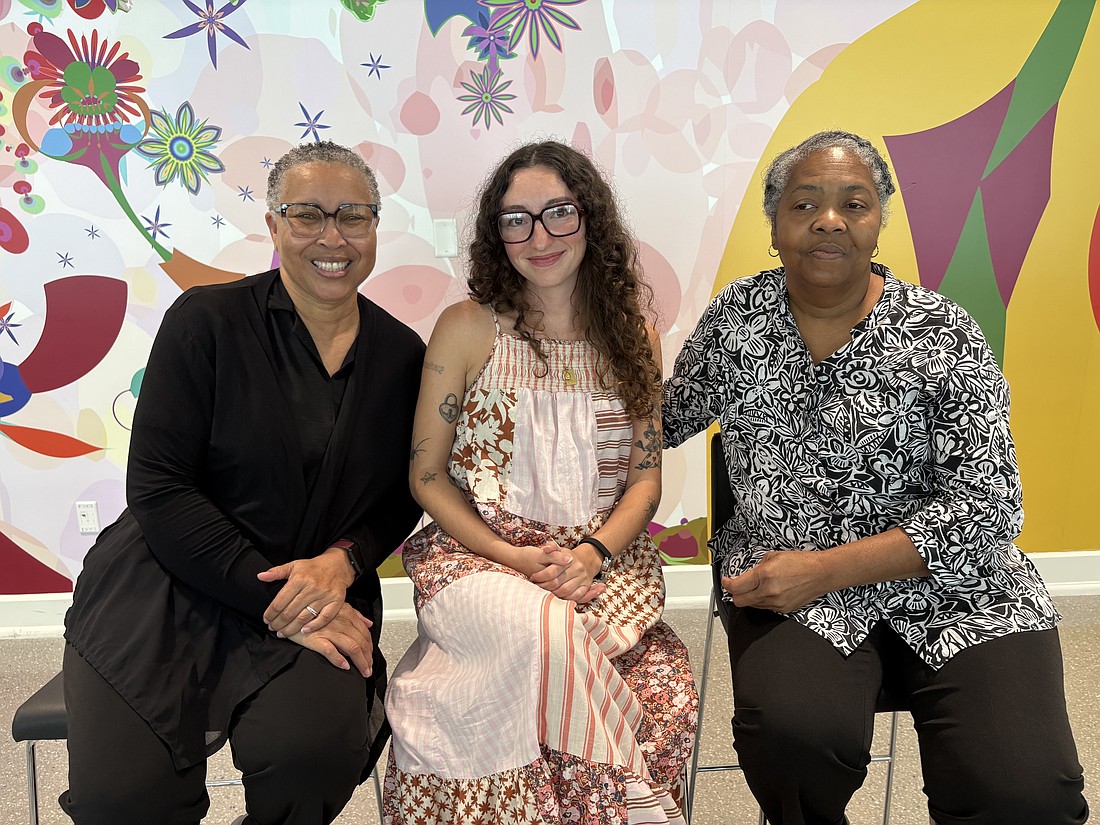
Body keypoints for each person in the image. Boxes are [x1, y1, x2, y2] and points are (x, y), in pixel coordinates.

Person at [662, 130, 1089, 825]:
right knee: (794, 744)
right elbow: (666, 415)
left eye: (852, 203)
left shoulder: (944, 331)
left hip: (958, 591)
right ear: (774, 225)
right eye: (805, 204)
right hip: (792, 591)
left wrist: (824, 569)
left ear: (878, 221)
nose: (829, 219)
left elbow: (989, 508)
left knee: (1027, 795)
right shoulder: (737, 319)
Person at [61, 141, 425, 825]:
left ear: (376, 227)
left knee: (312, 756)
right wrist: (285, 596)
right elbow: (161, 488)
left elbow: (404, 490)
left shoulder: (403, 354)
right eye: (308, 214)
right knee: (125, 799)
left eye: (353, 216)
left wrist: (344, 559)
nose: (332, 237)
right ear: (275, 224)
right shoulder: (205, 322)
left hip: (316, 586)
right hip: (171, 583)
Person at [383, 140, 697, 824]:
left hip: (601, 563)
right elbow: (428, 477)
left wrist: (591, 554)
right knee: (546, 632)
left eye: (558, 213)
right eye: (515, 219)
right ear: (498, 236)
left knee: (666, 686)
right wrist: (517, 559)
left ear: (591, 218)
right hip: (478, 559)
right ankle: (633, 813)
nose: (539, 236)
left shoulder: (634, 336)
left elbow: (645, 481)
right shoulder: (468, 329)